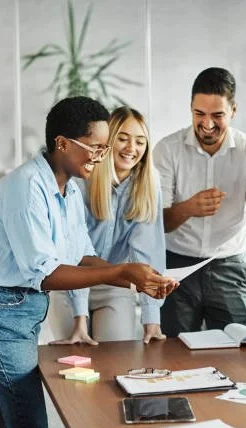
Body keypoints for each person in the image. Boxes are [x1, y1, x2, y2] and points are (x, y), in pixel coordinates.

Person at [0, 96, 178, 428]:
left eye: (105, 148)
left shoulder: (68, 190)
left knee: (23, 416)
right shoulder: (26, 189)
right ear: (62, 143)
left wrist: (133, 275)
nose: (102, 157)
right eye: (95, 148)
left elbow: (81, 253)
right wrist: (120, 273)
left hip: (12, 309)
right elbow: (47, 274)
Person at [153, 67, 246, 337]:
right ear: (190, 108)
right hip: (176, 265)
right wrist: (189, 208)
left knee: (238, 349)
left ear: (233, 110)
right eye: (199, 114)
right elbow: (157, 223)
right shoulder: (167, 150)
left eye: (217, 115)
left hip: (228, 265)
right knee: (175, 353)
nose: (207, 124)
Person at [46, 106, 168, 345]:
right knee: (75, 362)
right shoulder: (81, 180)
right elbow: (75, 254)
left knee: (116, 358)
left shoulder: (148, 185)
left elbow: (147, 253)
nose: (132, 149)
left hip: (114, 286)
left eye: (140, 142)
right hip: (69, 285)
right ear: (106, 142)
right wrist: (79, 318)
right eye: (122, 139)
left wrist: (151, 319)